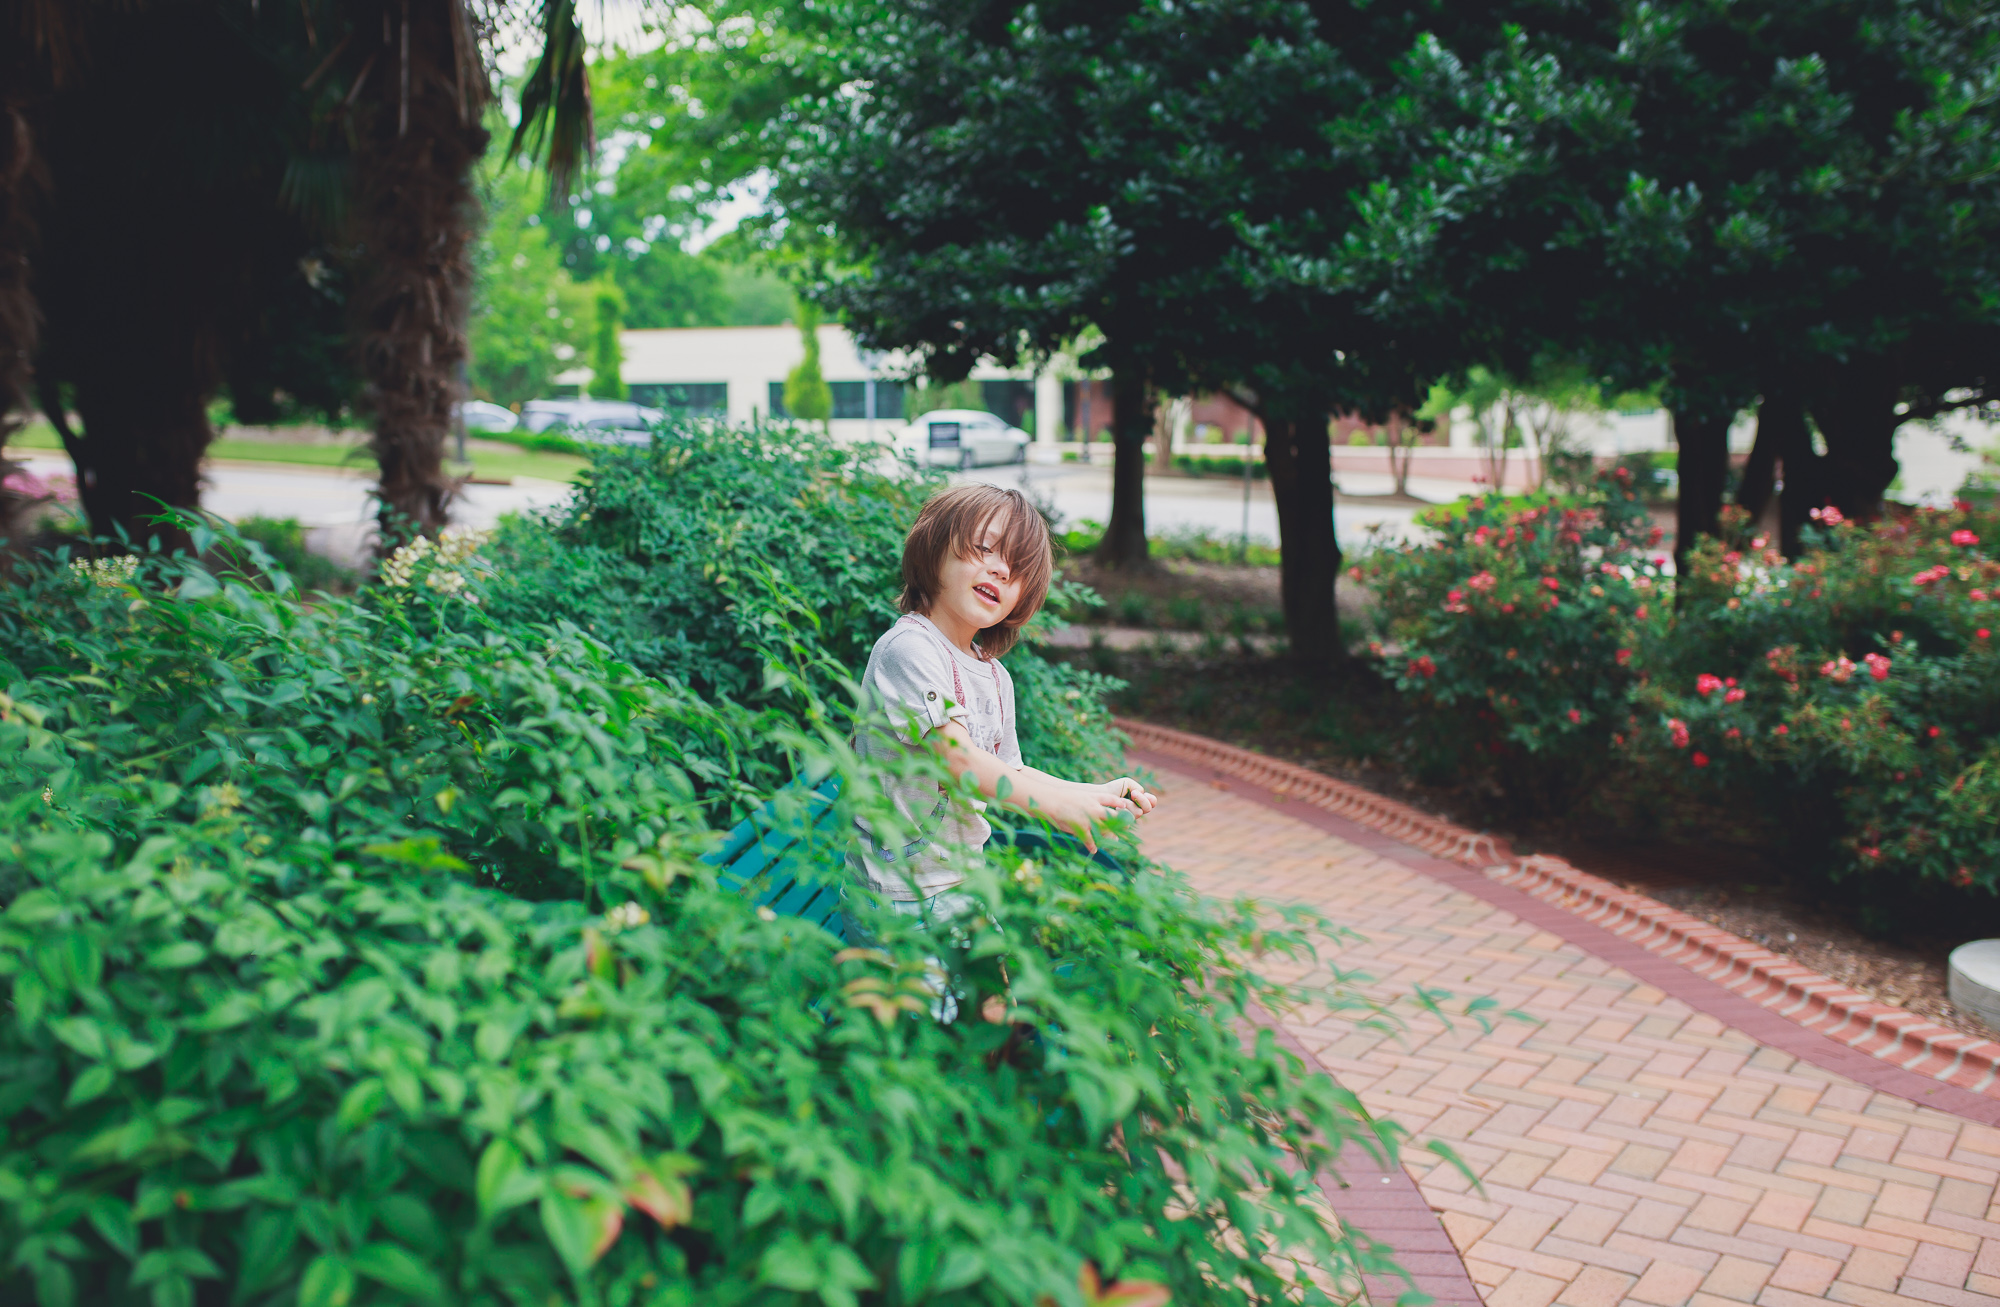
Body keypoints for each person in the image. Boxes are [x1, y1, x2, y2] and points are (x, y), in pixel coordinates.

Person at [851, 484, 1159, 924]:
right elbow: (958, 763)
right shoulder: (909, 648)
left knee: (999, 995)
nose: (999, 571)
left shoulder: (993, 675)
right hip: (900, 898)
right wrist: (1051, 807)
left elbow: (1007, 771)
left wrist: (1090, 794)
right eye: (984, 550)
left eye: (1016, 570)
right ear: (934, 549)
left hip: (959, 884)